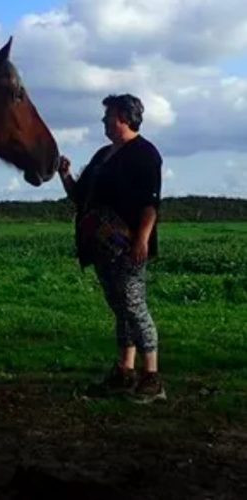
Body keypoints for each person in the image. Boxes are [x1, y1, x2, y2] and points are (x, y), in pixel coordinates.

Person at [59, 93, 166, 403]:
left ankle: (152, 376)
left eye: (107, 115)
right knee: (120, 309)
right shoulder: (103, 154)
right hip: (102, 248)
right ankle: (124, 370)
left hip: (129, 247)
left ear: (123, 117)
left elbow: (150, 204)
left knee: (135, 306)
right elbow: (80, 197)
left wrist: (142, 240)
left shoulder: (145, 154)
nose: (103, 120)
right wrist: (65, 175)